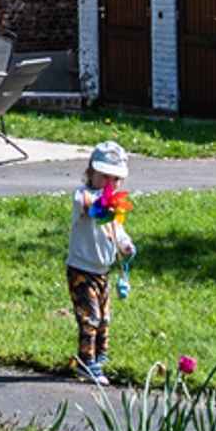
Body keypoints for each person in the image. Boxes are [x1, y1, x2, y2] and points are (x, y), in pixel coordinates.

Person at [66, 141, 135, 385]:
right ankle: (86, 362)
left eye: (115, 179)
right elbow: (88, 206)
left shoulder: (115, 207)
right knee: (90, 316)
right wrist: (105, 202)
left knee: (105, 317)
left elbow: (116, 230)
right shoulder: (83, 196)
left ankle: (99, 355)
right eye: (104, 176)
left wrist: (125, 245)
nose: (110, 183)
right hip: (81, 269)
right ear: (90, 173)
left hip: (102, 271)